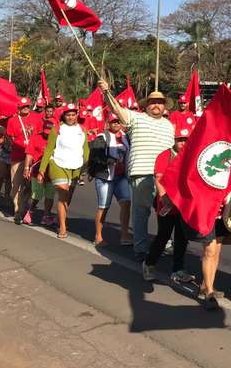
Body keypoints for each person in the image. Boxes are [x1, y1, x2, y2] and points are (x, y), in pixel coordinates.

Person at [98, 79, 175, 261]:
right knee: (141, 212)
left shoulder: (170, 126)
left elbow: (173, 151)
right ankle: (140, 248)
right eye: (153, 102)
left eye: (160, 102)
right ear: (147, 105)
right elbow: (116, 109)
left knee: (167, 212)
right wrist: (106, 92)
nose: (156, 105)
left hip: (166, 176)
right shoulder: (135, 118)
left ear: (164, 107)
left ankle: (167, 244)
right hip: (142, 172)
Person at [143, 125, 193, 284]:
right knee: (163, 236)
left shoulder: (191, 156)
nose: (183, 143)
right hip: (166, 204)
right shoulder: (165, 155)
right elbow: (159, 179)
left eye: (186, 140)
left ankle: (178, 269)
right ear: (174, 140)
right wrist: (164, 197)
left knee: (182, 237)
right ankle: (149, 264)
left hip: (183, 205)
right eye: (180, 140)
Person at [38, 104, 89, 239]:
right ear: (64, 116)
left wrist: (87, 167)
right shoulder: (57, 129)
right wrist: (42, 170)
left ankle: (59, 217)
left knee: (68, 197)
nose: (71, 117)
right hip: (58, 164)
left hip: (76, 166)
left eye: (73, 114)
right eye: (68, 115)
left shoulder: (82, 130)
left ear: (76, 115)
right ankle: (62, 226)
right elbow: (49, 150)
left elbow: (86, 150)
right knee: (63, 193)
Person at [87, 112, 131, 246]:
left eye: (118, 121)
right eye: (113, 122)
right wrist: (110, 161)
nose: (116, 124)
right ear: (108, 123)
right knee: (103, 207)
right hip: (105, 177)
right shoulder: (102, 137)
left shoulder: (126, 137)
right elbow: (95, 157)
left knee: (126, 203)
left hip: (121, 177)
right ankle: (98, 236)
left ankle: (124, 235)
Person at [6, 97, 37, 224]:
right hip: (18, 156)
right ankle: (18, 210)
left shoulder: (36, 117)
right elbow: (11, 138)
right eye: (23, 107)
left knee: (31, 185)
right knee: (16, 184)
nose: (26, 108)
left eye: (27, 106)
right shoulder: (13, 120)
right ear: (18, 108)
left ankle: (25, 207)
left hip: (33, 157)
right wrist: (21, 144)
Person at [20, 118, 56, 225]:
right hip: (37, 171)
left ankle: (46, 216)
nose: (47, 135)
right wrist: (26, 167)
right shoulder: (36, 138)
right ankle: (29, 213)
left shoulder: (57, 139)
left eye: (49, 133)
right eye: (45, 132)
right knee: (36, 195)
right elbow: (29, 154)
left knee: (50, 195)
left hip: (52, 172)